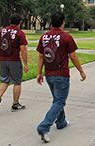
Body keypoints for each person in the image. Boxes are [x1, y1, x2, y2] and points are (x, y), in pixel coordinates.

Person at [36, 11, 86, 143]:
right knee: (59, 101)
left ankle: (61, 122)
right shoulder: (66, 37)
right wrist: (81, 71)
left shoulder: (44, 37)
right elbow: (73, 56)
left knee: (57, 99)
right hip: (61, 74)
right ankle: (44, 126)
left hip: (49, 74)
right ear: (63, 22)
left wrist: (39, 73)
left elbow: (41, 56)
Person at [0, 13, 28, 112]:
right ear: (20, 22)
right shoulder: (20, 33)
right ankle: (15, 104)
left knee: (4, 80)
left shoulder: (3, 31)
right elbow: (23, 49)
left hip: (3, 60)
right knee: (17, 82)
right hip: (14, 60)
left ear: (10, 20)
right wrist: (25, 63)